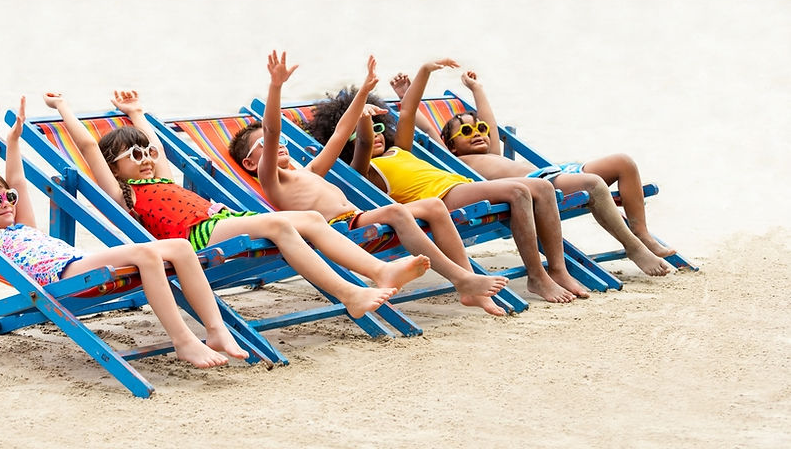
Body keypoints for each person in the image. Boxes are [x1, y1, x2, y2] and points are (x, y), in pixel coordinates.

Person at [42, 91, 432, 321]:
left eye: (146, 151)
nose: (145, 157)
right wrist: (64, 109)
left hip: (222, 219)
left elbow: (157, 147)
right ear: (115, 166)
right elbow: (91, 147)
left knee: (311, 218)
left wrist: (138, 113)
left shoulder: (160, 175)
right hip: (195, 236)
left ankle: (381, 271)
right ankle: (350, 294)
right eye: (134, 154)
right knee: (280, 227)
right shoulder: (123, 192)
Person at [0, 98, 249, 369]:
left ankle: (216, 329)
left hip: (79, 260)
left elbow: (18, 181)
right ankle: (184, 341)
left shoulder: (22, 225)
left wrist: (14, 141)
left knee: (181, 248)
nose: (6, 204)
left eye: (9, 198)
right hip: (62, 275)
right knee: (146, 253)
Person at [228, 50, 508, 316]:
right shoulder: (271, 180)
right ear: (252, 164)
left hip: (356, 218)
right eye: (266, 145)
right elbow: (272, 129)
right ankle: (461, 279)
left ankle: (470, 284)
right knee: (397, 211)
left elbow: (340, 133)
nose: (278, 145)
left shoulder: (310, 170)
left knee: (434, 206)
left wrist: (363, 91)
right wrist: (276, 87)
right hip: (340, 229)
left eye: (282, 143)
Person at [307, 58, 591, 303]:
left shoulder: (399, 149)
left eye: (381, 126)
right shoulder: (362, 167)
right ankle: (537, 277)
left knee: (541, 186)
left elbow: (407, 111)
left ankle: (558, 268)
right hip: (444, 197)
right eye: (366, 130)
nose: (378, 134)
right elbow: (365, 141)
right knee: (519, 192)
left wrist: (425, 71)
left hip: (461, 185)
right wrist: (362, 119)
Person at [403, 70, 673, 276]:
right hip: (539, 185)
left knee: (623, 162)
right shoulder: (453, 161)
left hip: (552, 172)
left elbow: (489, 120)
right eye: (465, 131)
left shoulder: (492, 151)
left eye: (480, 129)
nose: (477, 133)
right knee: (593, 183)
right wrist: (406, 92)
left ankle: (642, 233)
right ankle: (633, 247)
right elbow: (426, 129)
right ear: (450, 145)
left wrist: (477, 88)